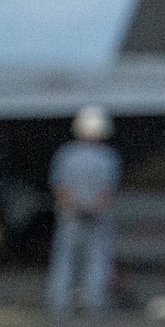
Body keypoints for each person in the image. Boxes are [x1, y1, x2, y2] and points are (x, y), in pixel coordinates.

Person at [47, 104, 120, 316]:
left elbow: (60, 188)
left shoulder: (66, 155)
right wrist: (94, 206)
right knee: (97, 259)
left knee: (65, 258)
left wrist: (73, 205)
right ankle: (94, 301)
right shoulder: (108, 158)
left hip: (70, 215)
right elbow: (107, 192)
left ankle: (59, 301)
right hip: (97, 216)